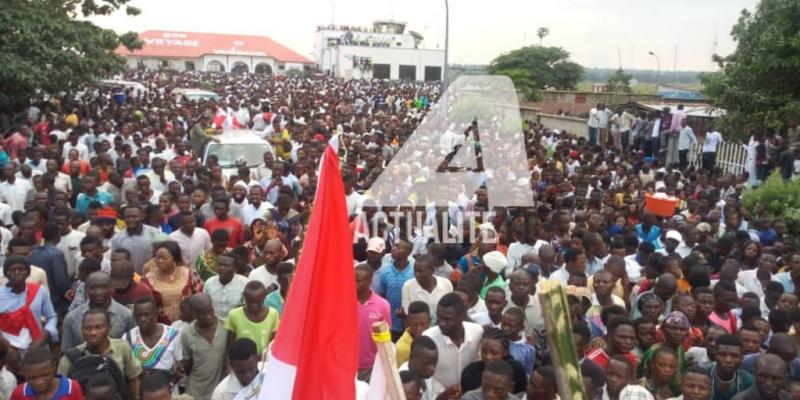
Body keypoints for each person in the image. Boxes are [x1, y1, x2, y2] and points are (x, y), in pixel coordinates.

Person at [57, 308, 143, 399]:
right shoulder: (70, 358)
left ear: (109, 328)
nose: (93, 333)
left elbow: (133, 378)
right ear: (82, 330)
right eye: (87, 328)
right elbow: (61, 389)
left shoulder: (122, 347)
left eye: (98, 327)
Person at [423, 293, 483, 392]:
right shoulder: (428, 338)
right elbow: (424, 375)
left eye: (447, 319)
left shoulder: (477, 332)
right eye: (439, 317)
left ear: (463, 316)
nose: (441, 323)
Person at [61, 271, 135, 350]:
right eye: (93, 288)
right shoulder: (72, 318)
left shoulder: (126, 315)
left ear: (111, 288)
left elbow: (134, 348)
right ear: (85, 290)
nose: (98, 292)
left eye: (104, 287)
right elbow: (66, 351)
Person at [0, 256, 58, 353]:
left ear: (28, 273)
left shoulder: (39, 291)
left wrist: (44, 336)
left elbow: (52, 317)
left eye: (21, 269)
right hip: (6, 350)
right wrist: (7, 348)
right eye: (12, 270)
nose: (17, 272)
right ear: (6, 273)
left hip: (37, 346)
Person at [179, 293, 228, 399]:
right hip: (196, 391)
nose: (209, 316)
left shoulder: (226, 326)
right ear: (194, 314)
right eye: (203, 314)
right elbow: (188, 364)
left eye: (210, 310)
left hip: (221, 389)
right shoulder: (187, 334)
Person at [142, 241, 203, 323]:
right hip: (161, 326)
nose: (160, 261)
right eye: (157, 257)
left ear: (174, 259)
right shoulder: (148, 279)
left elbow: (199, 298)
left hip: (187, 323)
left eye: (164, 258)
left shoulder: (190, 274)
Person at [125, 296, 183, 381]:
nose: (143, 319)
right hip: (141, 391)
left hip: (169, 390)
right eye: (139, 315)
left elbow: (179, 364)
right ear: (134, 316)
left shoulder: (173, 335)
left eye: (147, 315)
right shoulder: (127, 338)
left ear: (156, 313)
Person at [460, 328, 527, 394]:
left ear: (505, 352)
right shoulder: (470, 372)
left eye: (494, 353)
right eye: (484, 351)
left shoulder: (517, 370)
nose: (488, 357)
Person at [372, 239, 414, 341]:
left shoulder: (414, 272)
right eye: (394, 246)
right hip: (388, 323)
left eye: (398, 247)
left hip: (408, 324)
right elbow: (380, 295)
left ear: (408, 252)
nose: (394, 249)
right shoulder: (384, 271)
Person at [224, 281, 279, 357]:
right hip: (241, 361)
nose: (254, 305)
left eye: (258, 302)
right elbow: (230, 344)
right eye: (250, 302)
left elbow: (273, 343)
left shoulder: (273, 314)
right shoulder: (234, 315)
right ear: (244, 296)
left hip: (263, 363)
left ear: (265, 296)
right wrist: (228, 365)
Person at [355, 263, 391, 380]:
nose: (353, 283)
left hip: (372, 367)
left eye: (358, 281)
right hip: (347, 364)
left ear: (370, 281)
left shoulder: (382, 305)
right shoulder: (342, 302)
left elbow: (386, 337)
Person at [29, 223, 72, 315]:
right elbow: (61, 280)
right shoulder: (57, 254)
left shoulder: (33, 252)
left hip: (36, 295)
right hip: (54, 299)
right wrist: (67, 293)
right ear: (58, 236)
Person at [12, 347, 83, 400]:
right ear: (24, 373)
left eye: (45, 375)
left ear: (54, 367)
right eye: (32, 378)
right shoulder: (20, 393)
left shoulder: (72, 388)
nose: (39, 381)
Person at [401, 254, 453, 324]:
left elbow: (450, 310)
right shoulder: (408, 286)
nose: (417, 274)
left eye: (420, 271)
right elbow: (407, 316)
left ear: (432, 271)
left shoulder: (446, 284)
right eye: (415, 271)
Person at [111, 205, 160, 274]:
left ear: (142, 216)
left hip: (151, 276)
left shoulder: (154, 233)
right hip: (127, 277)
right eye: (127, 217)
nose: (130, 219)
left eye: (134, 216)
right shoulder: (117, 238)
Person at [706, 334, 753, 400]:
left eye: (734, 356)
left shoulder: (748, 381)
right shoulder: (703, 374)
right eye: (722, 355)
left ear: (742, 358)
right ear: (715, 355)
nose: (728, 360)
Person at [203, 252, 247, 319]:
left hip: (236, 323)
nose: (221, 268)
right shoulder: (209, 283)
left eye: (226, 266)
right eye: (220, 265)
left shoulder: (245, 283)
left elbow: (247, 308)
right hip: (214, 324)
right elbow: (204, 305)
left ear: (236, 268)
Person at [396, 301, 432, 368]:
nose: (419, 329)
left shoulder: (435, 338)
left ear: (429, 321)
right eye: (415, 325)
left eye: (423, 324)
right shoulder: (401, 348)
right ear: (407, 322)